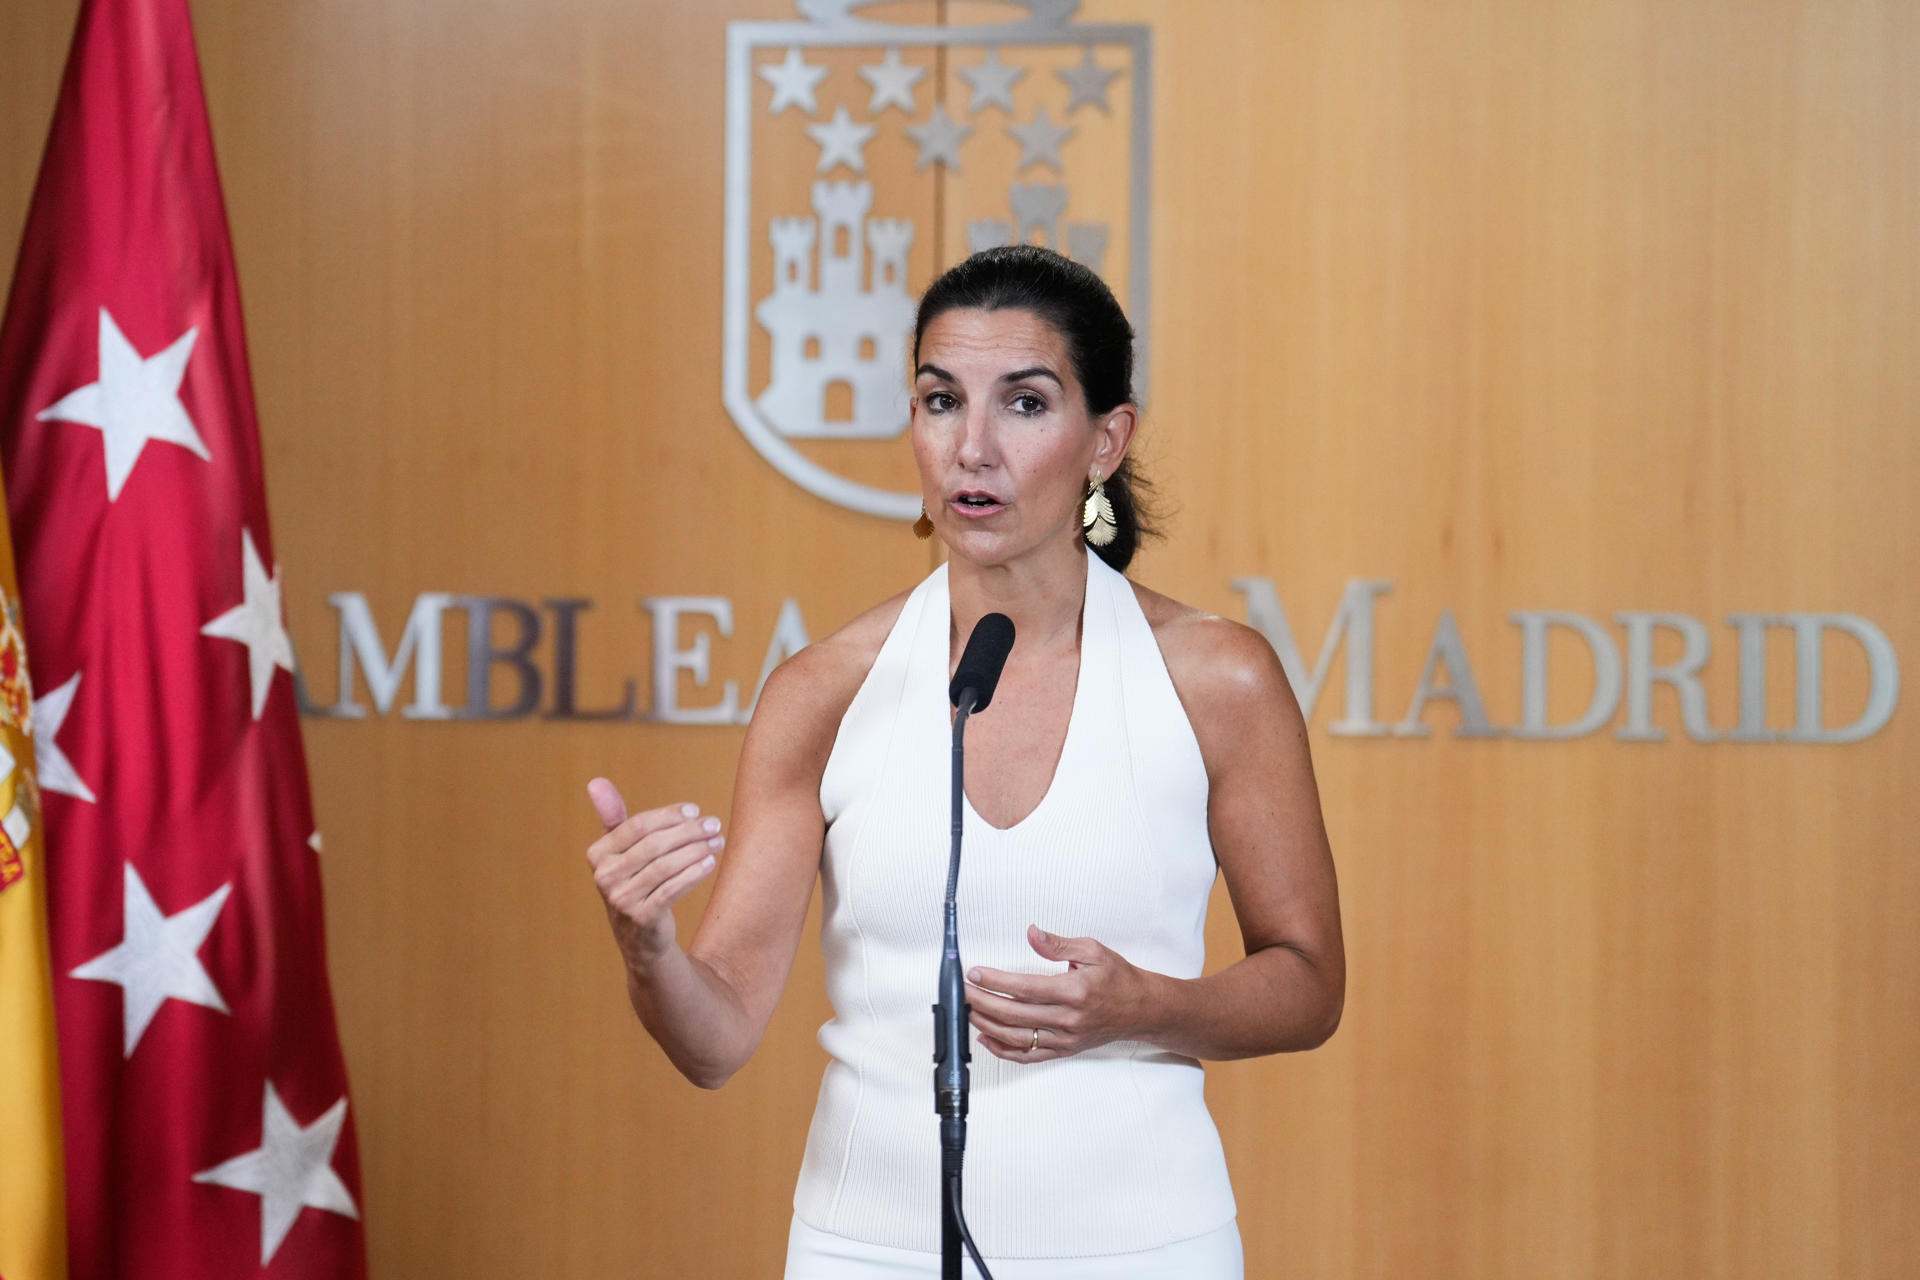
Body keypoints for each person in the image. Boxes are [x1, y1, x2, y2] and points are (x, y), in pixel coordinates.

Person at [583, 245, 1344, 1278]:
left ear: (1106, 439)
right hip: (866, 1247)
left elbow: (1308, 982)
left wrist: (1145, 1006)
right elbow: (715, 1040)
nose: (971, 447)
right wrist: (649, 949)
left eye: (1024, 404)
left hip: (1141, 1244)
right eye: (941, 401)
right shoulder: (822, 691)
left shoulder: (1217, 678)